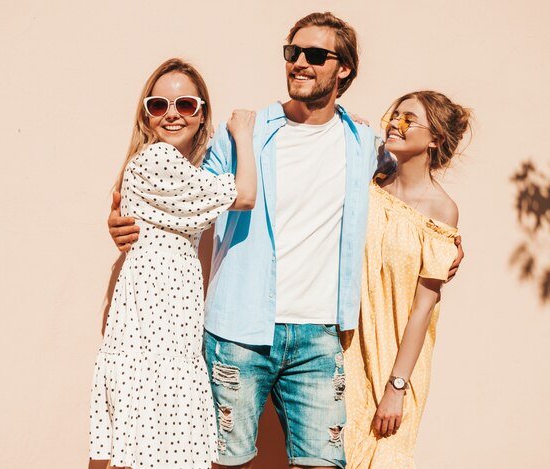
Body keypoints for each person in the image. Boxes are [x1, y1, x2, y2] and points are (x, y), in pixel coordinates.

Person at [107, 13, 464, 469]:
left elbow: (406, 203)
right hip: (238, 332)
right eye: (292, 53)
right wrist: (122, 221)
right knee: (223, 462)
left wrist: (444, 240)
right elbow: (186, 197)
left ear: (345, 70)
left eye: (315, 55)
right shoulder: (247, 134)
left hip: (321, 338)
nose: (299, 62)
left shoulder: (364, 144)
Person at [89, 58, 257, 469]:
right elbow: (245, 196)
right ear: (146, 117)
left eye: (184, 105)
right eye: (158, 105)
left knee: (157, 447)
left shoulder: (179, 169)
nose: (171, 114)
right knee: (161, 445)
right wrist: (245, 135)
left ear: (201, 115)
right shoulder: (157, 161)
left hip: (165, 323)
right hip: (155, 328)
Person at [342, 91, 471, 469]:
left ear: (435, 139)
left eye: (409, 118)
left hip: (397, 362)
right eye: (394, 114)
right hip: (345, 350)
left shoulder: (441, 210)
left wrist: (397, 387)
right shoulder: (368, 181)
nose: (395, 123)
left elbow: (421, 310)